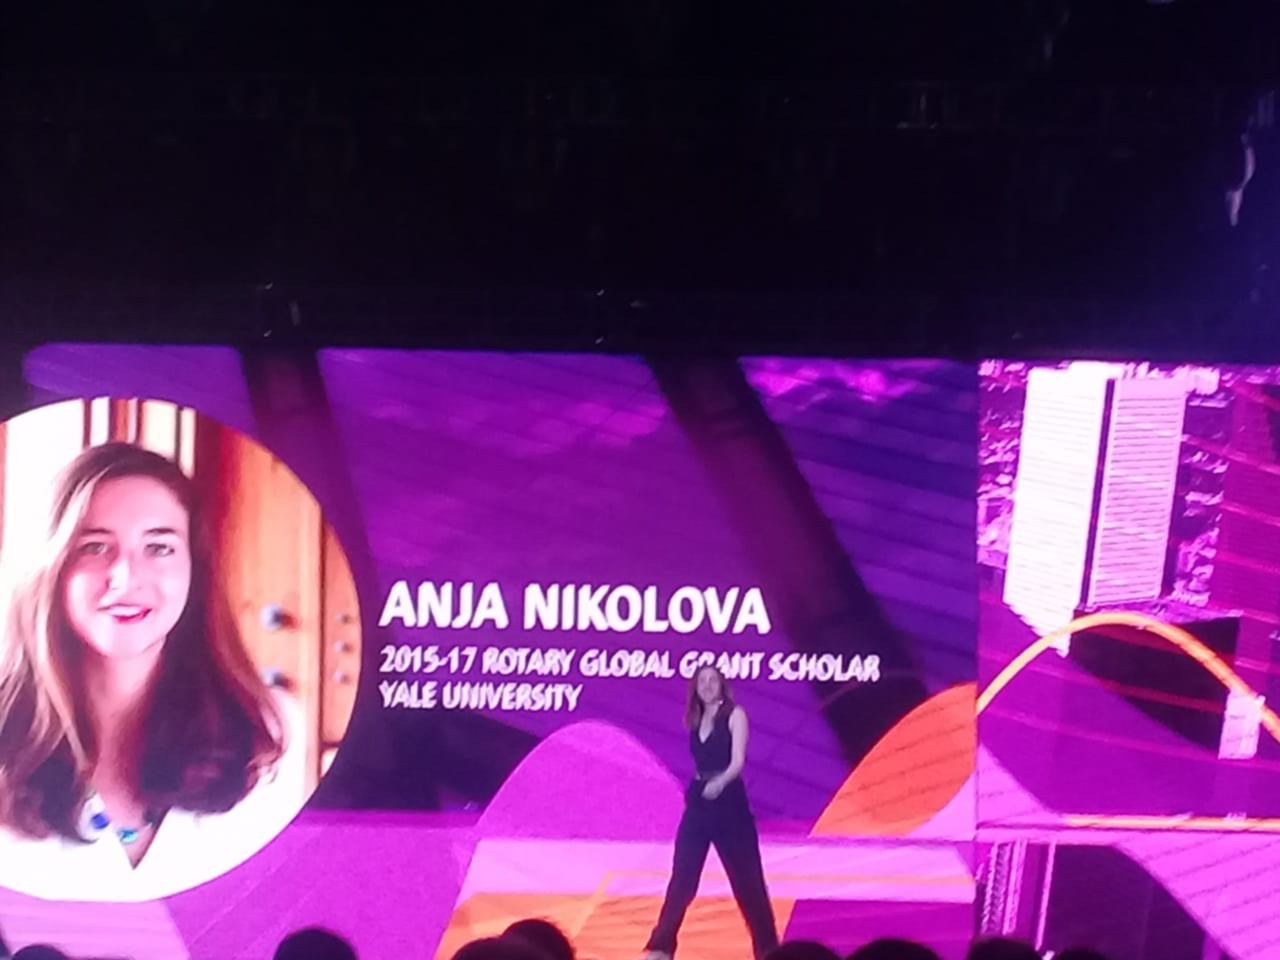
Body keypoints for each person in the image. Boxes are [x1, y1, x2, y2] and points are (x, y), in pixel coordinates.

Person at [0, 442, 305, 901]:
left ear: (194, 571)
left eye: (159, 547)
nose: (125, 577)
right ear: (50, 568)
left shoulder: (272, 729)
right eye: (94, 546)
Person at [642, 664, 778, 960]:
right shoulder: (695, 718)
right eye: (701, 681)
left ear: (721, 684)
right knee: (682, 877)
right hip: (700, 801)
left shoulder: (735, 715)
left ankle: (768, 950)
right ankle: (661, 947)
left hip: (729, 803)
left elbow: (737, 761)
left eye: (712, 680)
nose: (706, 685)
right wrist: (705, 786)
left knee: (748, 882)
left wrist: (720, 782)